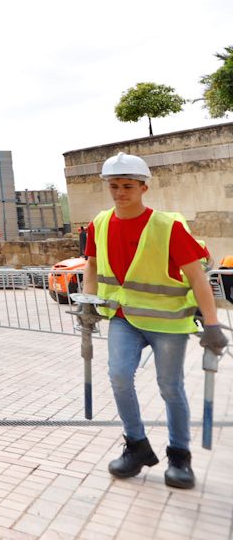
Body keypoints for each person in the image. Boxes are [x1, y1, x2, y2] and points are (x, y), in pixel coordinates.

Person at [81, 152, 227, 490]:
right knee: (118, 377)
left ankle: (179, 455)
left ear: (144, 186)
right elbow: (91, 266)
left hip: (168, 323)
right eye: (114, 185)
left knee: (169, 386)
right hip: (123, 317)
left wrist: (212, 323)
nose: (120, 192)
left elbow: (197, 277)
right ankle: (137, 447)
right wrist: (89, 305)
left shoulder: (166, 226)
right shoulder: (99, 223)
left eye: (127, 185)